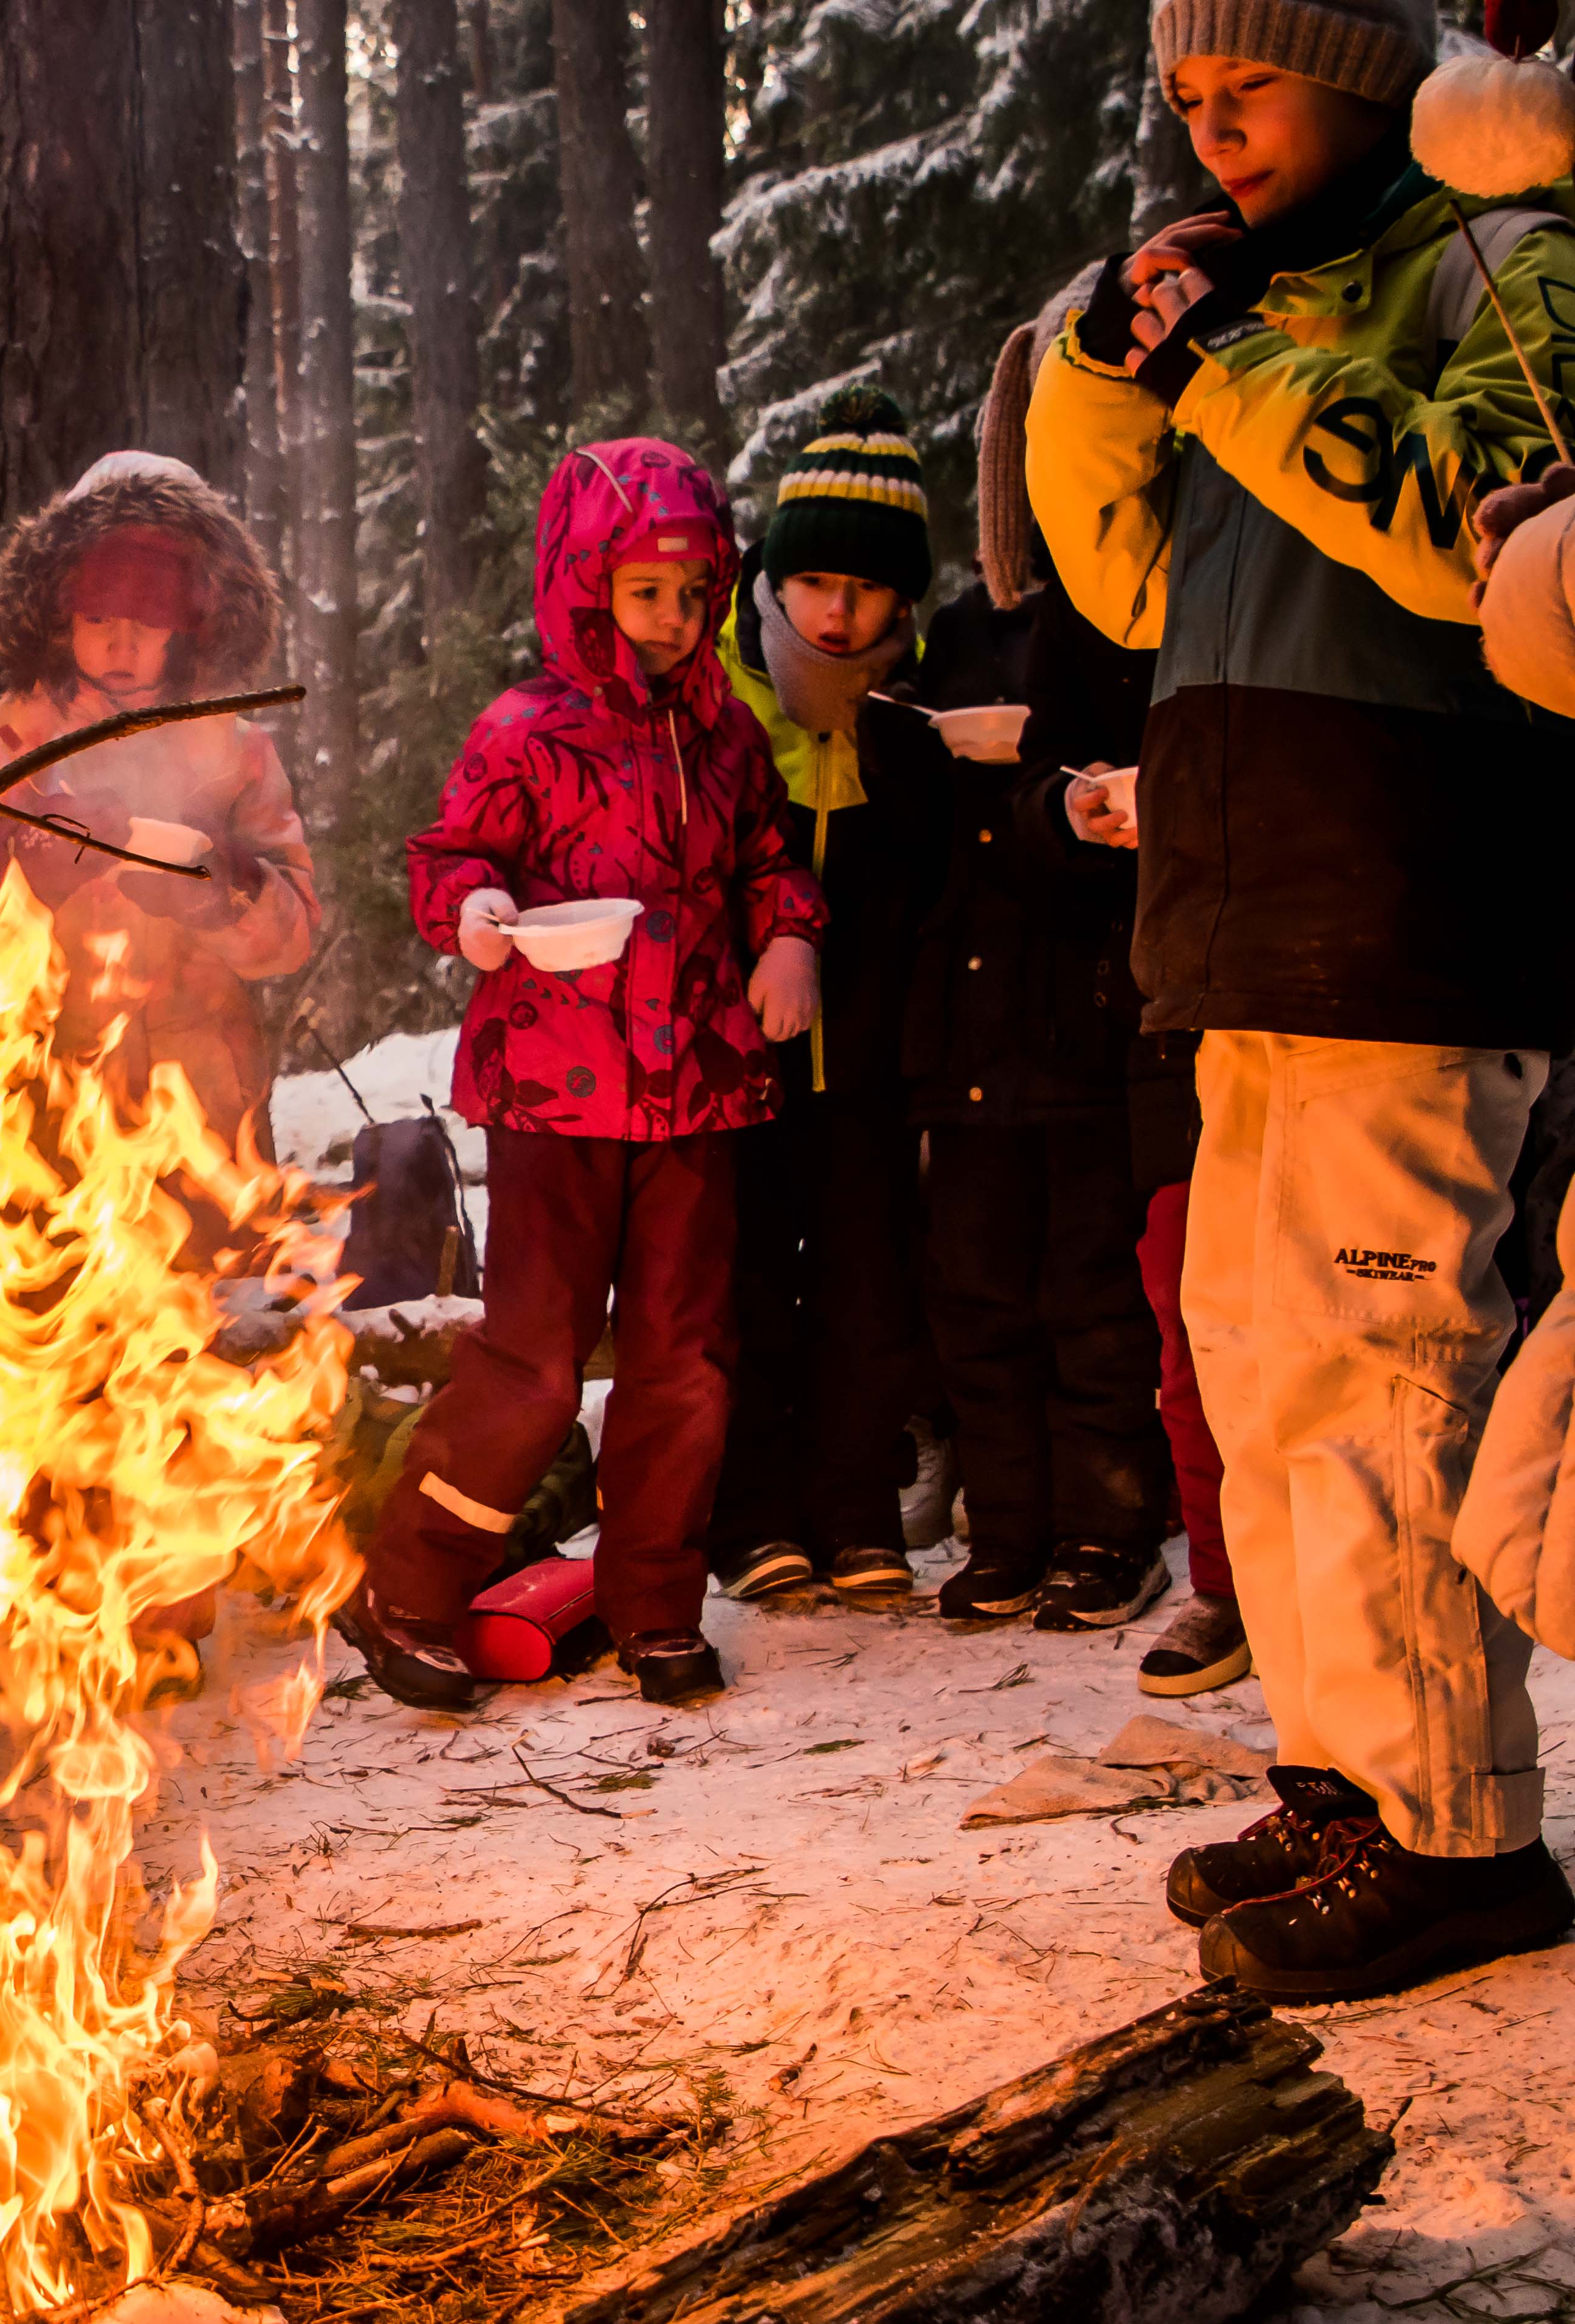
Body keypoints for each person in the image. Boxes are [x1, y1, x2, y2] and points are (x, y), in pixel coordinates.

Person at [1028, 0, 1575, 2000]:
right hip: (1257, 924)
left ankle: (1461, 1832)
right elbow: (1123, 583)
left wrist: (1228, 355)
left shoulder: (1514, 262)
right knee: (1266, 1378)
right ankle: (1353, 1778)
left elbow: (1473, 543)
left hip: (1421, 919)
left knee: (1384, 1377)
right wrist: (1112, 357)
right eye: (1185, 100)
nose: (1214, 131)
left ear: (1362, 73)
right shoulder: (1279, 301)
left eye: (1245, 88)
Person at [361, 439, 823, 1713]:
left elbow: (770, 860)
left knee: (684, 1357)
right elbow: (447, 859)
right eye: (645, 592)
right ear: (585, 586)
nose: (674, 619)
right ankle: (410, 1582)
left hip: (697, 1092)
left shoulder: (725, 733)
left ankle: (654, 1599)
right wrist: (481, 909)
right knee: (535, 1360)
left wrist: (788, 935)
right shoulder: (525, 728)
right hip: (555, 1091)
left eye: (694, 591)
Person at [903, 317, 1176, 1640]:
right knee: (977, 1299)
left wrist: (1059, 796)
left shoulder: (1138, 621)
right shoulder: (959, 632)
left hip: (1087, 1021)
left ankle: (1106, 1531)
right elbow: (913, 830)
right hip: (964, 1029)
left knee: (1092, 1297)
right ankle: (1006, 1531)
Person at [705, 387, 954, 1608]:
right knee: (747, 1286)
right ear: (778, 577)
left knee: (869, 1284)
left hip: (870, 1067)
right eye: (818, 585)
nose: (840, 612)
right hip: (737, 1067)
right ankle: (753, 1515)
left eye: (867, 589)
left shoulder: (920, 717)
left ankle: (857, 1506)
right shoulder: (724, 704)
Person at [0, 451, 320, 1162]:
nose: (120, 641)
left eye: (148, 620)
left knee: (212, 1275)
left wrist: (225, 889)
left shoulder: (236, 750)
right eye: (98, 614)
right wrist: (18, 879)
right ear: (58, 610)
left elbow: (289, 943)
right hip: (28, 1095)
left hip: (200, 1110)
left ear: (192, 624)